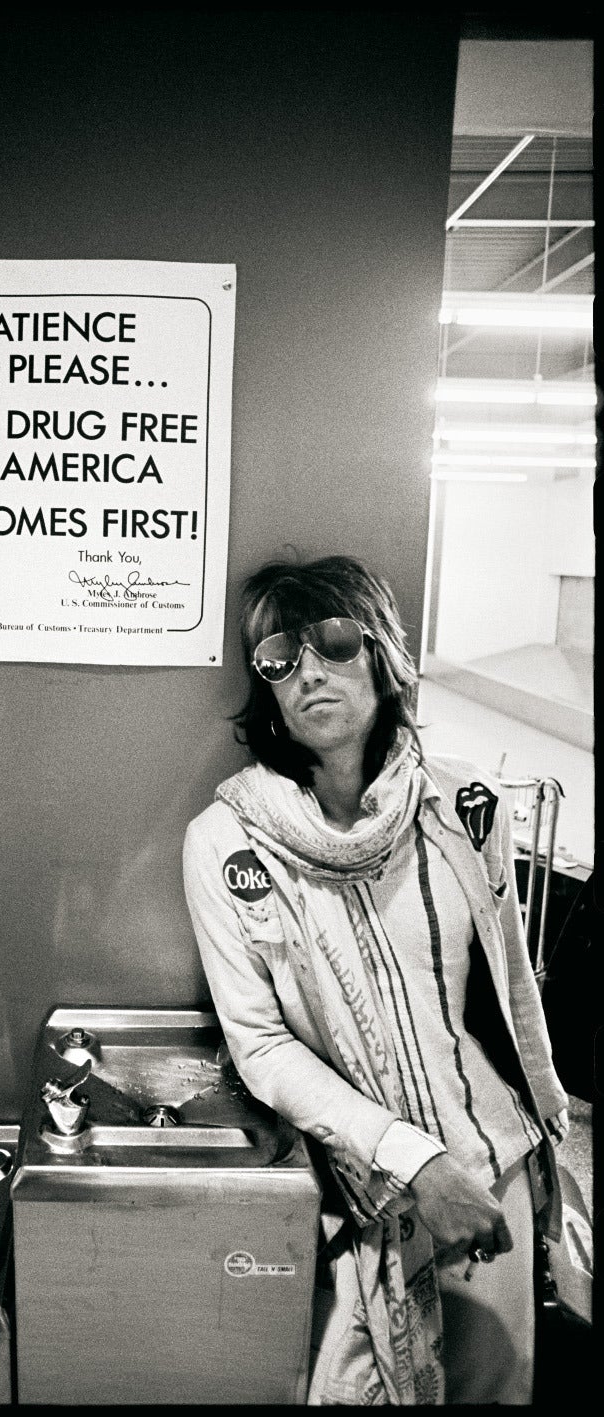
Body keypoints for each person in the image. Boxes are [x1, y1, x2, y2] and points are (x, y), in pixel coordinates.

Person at [182, 554, 569, 1405]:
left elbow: (509, 991)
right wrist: (411, 1161)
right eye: (279, 656)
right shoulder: (224, 840)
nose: (309, 669)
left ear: (380, 653)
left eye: (332, 640)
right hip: (356, 1193)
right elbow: (261, 1045)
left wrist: (548, 1147)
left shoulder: (461, 804)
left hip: (486, 1168)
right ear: (266, 689)